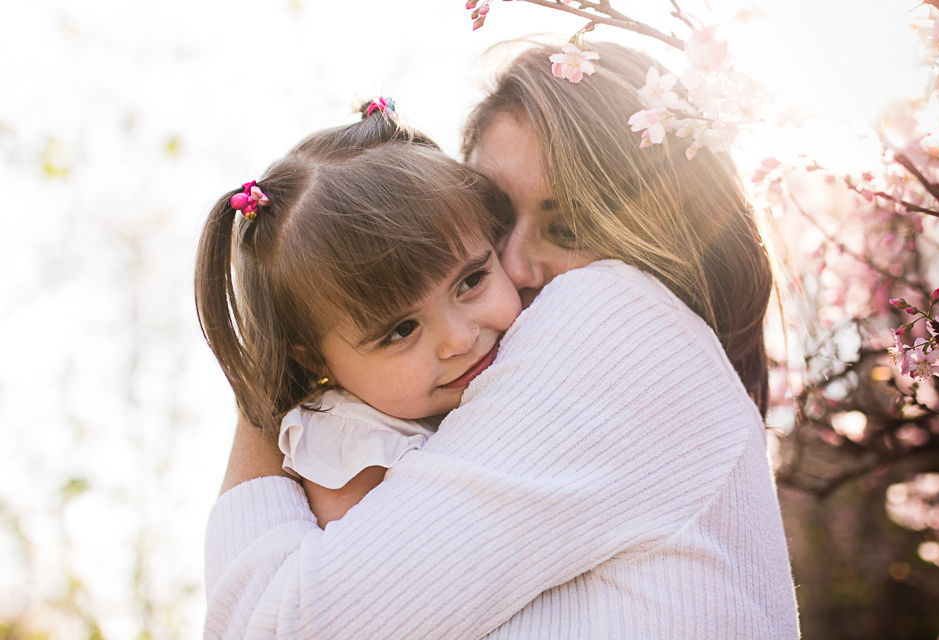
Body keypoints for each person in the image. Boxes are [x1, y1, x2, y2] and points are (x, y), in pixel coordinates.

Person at [203, 43, 800, 639]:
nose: (513, 266)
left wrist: (267, 376)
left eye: (566, 226)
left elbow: (275, 628)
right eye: (494, 219)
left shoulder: (610, 318)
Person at [195, 100, 521, 528]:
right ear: (315, 359)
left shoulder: (538, 336)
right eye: (402, 330)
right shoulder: (351, 450)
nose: (459, 339)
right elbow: (372, 581)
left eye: (470, 282)